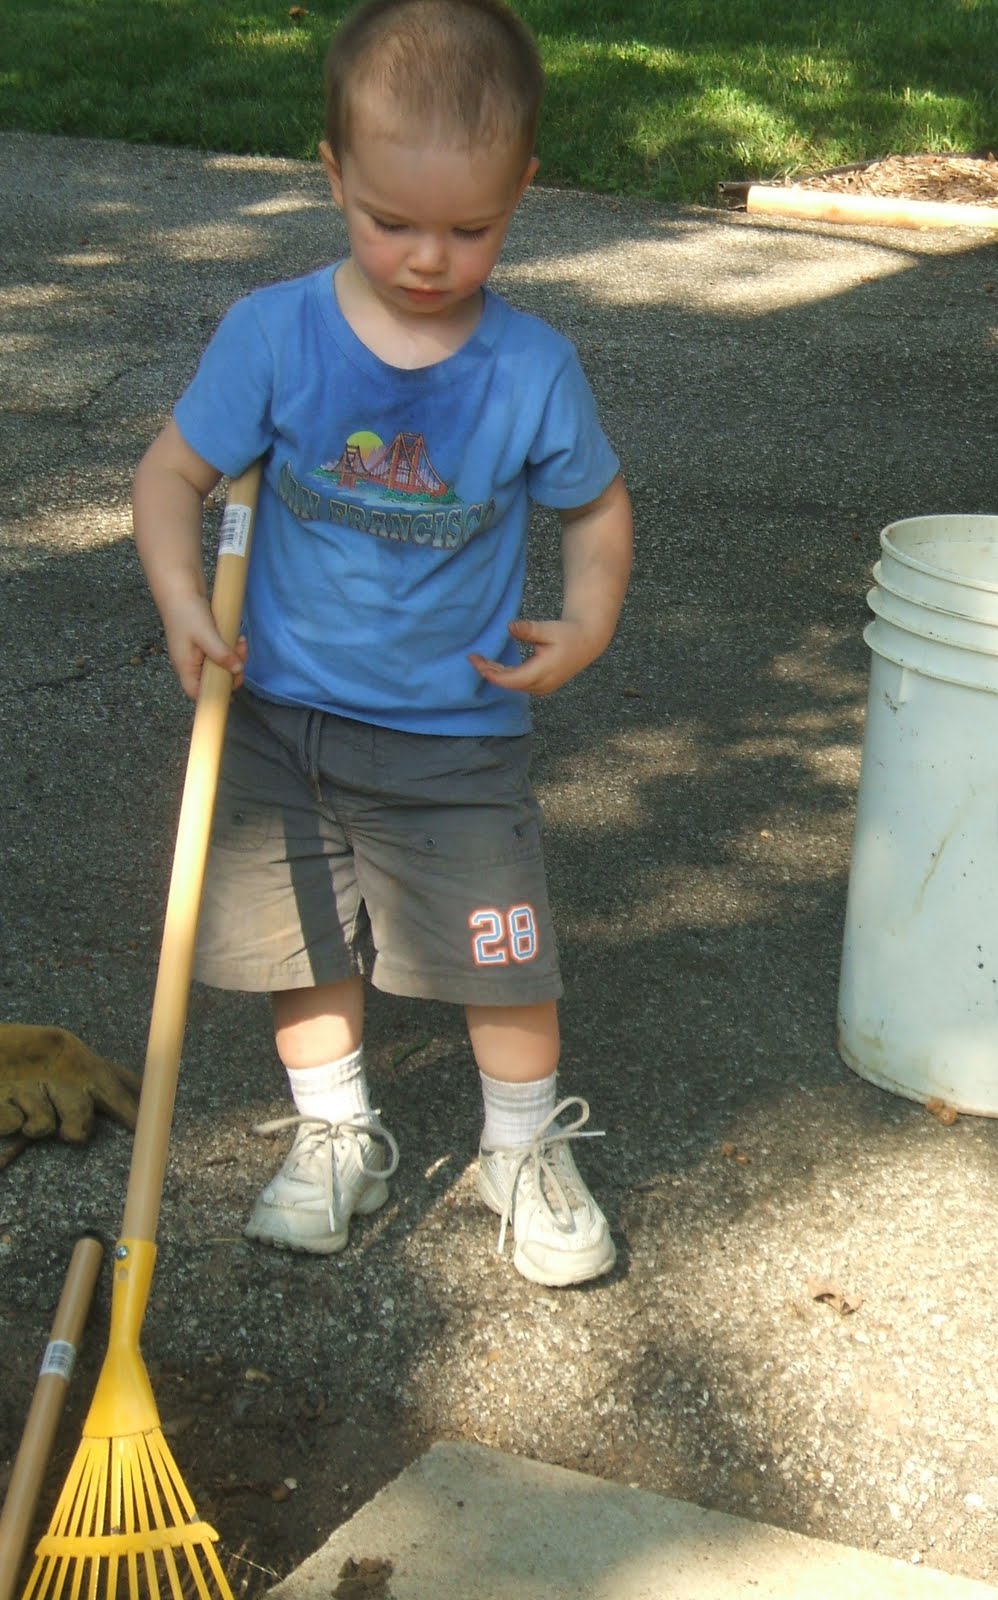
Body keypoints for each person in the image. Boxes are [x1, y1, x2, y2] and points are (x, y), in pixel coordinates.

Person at [132, 0, 633, 1286]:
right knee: (295, 942)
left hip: (454, 732)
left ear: (522, 189)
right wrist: (185, 602)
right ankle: (335, 1131)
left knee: (501, 953)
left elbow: (595, 507)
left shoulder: (530, 369)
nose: (427, 258)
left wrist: (587, 620)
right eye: (390, 221)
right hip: (275, 716)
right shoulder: (273, 334)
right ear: (334, 175)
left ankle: (520, 1148)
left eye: (470, 230)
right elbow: (171, 475)